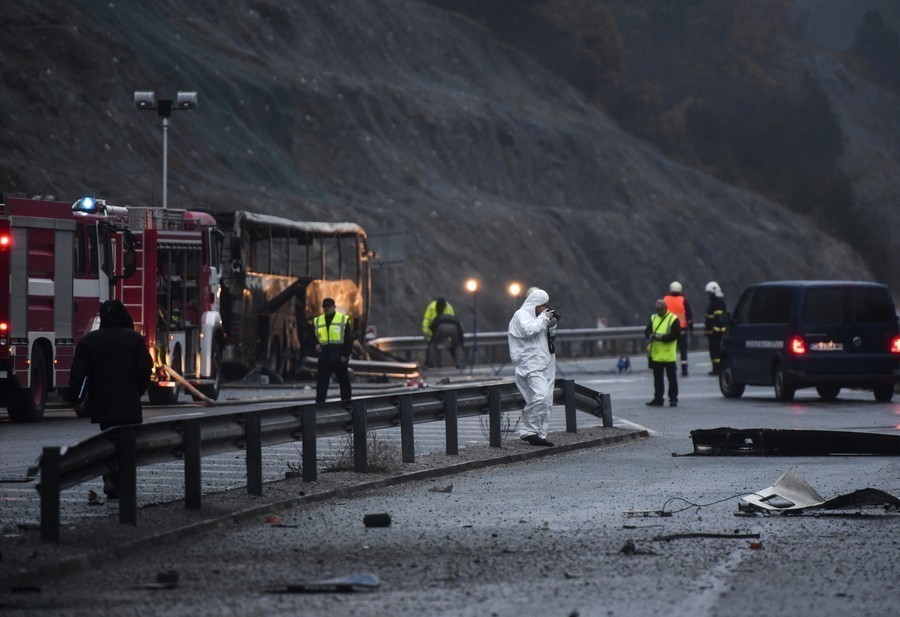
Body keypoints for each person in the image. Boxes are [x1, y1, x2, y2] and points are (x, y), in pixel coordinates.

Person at [69, 300, 153, 499]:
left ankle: (109, 479)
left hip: (103, 404)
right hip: (129, 404)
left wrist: (78, 399)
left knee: (108, 443)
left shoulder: (89, 341)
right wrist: (137, 391)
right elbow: (145, 370)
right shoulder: (135, 340)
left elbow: (79, 375)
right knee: (127, 446)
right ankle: (122, 483)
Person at [508, 287, 558, 447]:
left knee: (547, 401)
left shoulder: (539, 318)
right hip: (530, 365)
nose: (544, 309)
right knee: (540, 396)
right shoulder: (520, 316)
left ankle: (540, 434)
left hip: (545, 363)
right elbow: (528, 330)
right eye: (542, 305)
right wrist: (544, 318)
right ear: (534, 303)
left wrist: (552, 324)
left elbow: (546, 337)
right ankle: (528, 431)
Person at [314, 297, 355, 403]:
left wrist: (345, 355)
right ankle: (320, 405)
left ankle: (346, 404)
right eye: (324, 306)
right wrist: (315, 345)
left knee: (344, 382)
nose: (326, 308)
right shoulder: (318, 320)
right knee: (322, 383)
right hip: (325, 357)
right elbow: (313, 337)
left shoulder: (343, 319)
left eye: (328, 306)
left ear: (334, 307)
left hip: (339, 357)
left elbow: (349, 339)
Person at [645, 298, 681, 407]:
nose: (659, 311)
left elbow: (676, 334)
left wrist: (663, 338)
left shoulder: (673, 319)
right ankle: (658, 398)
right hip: (656, 355)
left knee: (672, 379)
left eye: (660, 309)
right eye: (657, 309)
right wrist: (650, 335)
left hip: (669, 354)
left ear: (665, 307)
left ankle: (673, 399)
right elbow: (647, 331)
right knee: (658, 379)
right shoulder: (653, 318)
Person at [663, 281, 693, 377]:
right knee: (683, 350)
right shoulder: (683, 300)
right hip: (682, 329)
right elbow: (689, 315)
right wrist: (691, 327)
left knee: (670, 350)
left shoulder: (665, 300)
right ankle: (684, 370)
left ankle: (671, 369)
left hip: (669, 330)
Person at [421, 296, 455, 367]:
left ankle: (428, 363)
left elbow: (452, 321)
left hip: (442, 330)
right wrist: (426, 332)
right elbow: (426, 320)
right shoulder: (432, 307)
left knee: (433, 346)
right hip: (435, 331)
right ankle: (429, 363)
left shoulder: (448, 308)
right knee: (433, 346)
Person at [703, 281, 728, 375]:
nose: (708, 295)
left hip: (716, 332)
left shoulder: (719, 302)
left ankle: (718, 369)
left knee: (716, 350)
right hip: (712, 332)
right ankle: (715, 368)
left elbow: (721, 318)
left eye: (709, 293)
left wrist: (716, 329)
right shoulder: (713, 302)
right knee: (713, 351)